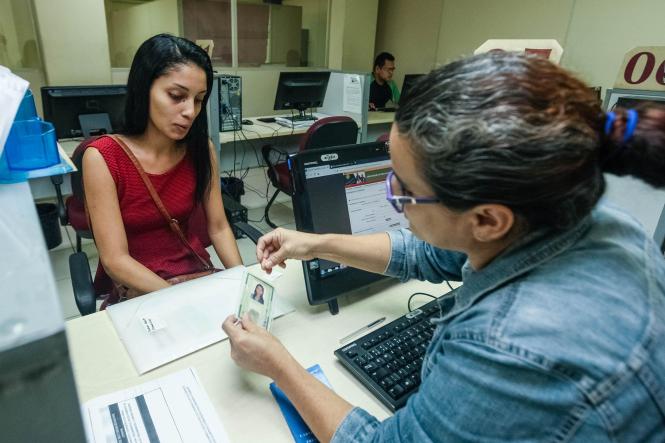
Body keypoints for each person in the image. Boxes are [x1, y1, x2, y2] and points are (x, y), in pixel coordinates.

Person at [222, 51, 665, 442]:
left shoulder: (505, 346)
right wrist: (317, 243)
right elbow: (428, 253)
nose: (392, 197)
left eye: (405, 188)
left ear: (488, 219)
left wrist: (279, 365)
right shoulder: (580, 214)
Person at [83, 34, 243, 302]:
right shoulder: (103, 157)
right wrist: (178, 301)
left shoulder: (201, 150)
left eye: (198, 99)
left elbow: (219, 227)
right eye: (177, 96)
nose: (190, 111)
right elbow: (115, 260)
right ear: (143, 88)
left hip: (195, 277)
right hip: (141, 289)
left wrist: (243, 283)